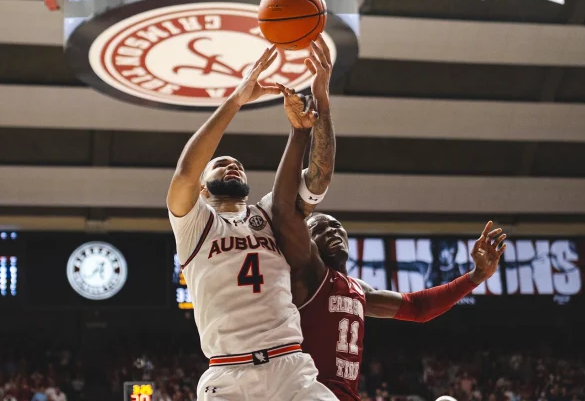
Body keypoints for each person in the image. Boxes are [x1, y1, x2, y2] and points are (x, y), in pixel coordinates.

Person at [270, 82, 509, 400]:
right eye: (323, 228)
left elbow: (419, 307)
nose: (335, 232)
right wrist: (306, 128)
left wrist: (477, 276)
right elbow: (294, 200)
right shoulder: (303, 274)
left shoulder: (356, 289)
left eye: (339, 229)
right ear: (307, 243)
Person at [166, 44, 337, 400]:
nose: (232, 165)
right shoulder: (194, 223)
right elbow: (184, 173)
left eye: (237, 164)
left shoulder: (269, 215)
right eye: (220, 162)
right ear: (202, 188)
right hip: (228, 373)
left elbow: (319, 179)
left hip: (289, 366)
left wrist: (320, 104)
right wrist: (237, 99)